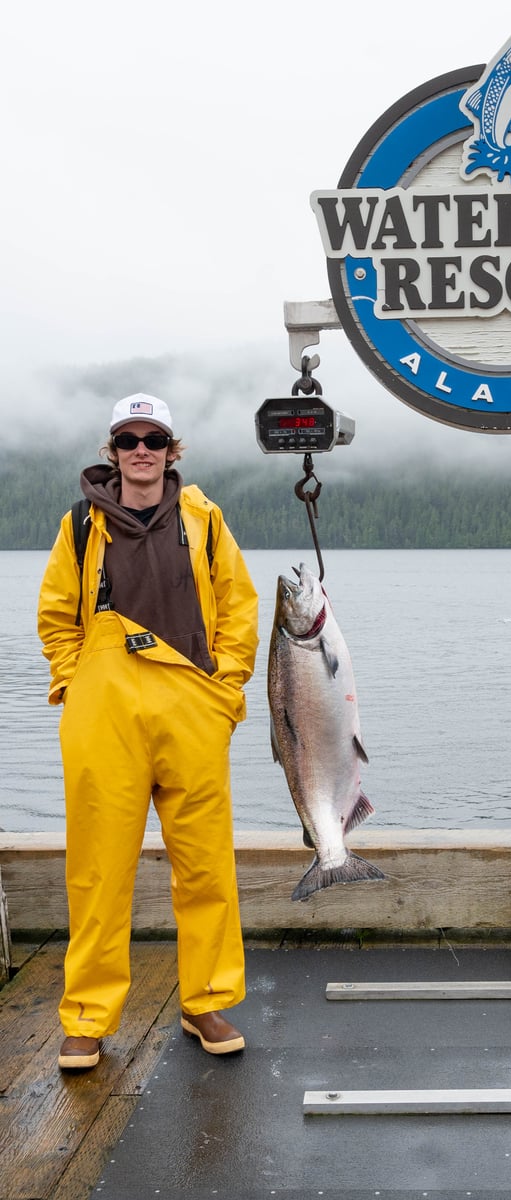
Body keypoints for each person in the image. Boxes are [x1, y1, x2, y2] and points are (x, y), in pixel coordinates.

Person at [38, 393, 259, 1070]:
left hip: (191, 704)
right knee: (99, 870)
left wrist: (224, 689)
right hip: (104, 713)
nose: (142, 449)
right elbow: (56, 618)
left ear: (172, 450)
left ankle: (206, 1002)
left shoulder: (205, 519)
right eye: (129, 439)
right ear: (113, 451)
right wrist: (76, 687)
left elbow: (239, 608)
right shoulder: (80, 524)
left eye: (154, 438)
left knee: (206, 866)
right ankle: (87, 1018)